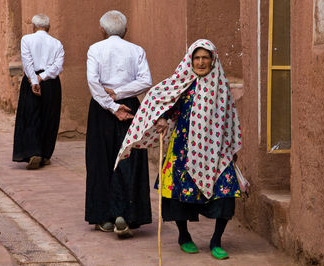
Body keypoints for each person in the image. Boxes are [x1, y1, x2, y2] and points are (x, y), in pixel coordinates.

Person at [115, 39, 243, 259]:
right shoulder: (182, 82)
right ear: (190, 60)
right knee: (179, 194)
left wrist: (231, 147)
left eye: (205, 58)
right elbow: (160, 100)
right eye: (197, 57)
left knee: (225, 194)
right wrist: (163, 118)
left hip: (217, 150)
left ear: (213, 60)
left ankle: (216, 241)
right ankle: (184, 235)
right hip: (184, 147)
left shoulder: (221, 86)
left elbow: (230, 118)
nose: (201, 62)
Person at [85, 10, 152, 237]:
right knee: (128, 158)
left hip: (101, 109)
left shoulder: (95, 49)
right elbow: (145, 81)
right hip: (130, 109)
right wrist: (120, 95)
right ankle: (126, 213)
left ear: (101, 30)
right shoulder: (137, 50)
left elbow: (93, 82)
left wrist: (111, 104)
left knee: (100, 159)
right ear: (126, 30)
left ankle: (103, 217)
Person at [12, 14, 64, 170]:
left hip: (30, 81)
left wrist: (34, 80)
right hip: (51, 83)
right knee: (50, 116)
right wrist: (42, 78)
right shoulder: (57, 43)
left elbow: (27, 61)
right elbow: (57, 66)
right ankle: (46, 154)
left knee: (31, 115)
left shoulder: (27, 40)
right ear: (48, 28)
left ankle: (33, 151)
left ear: (33, 27)